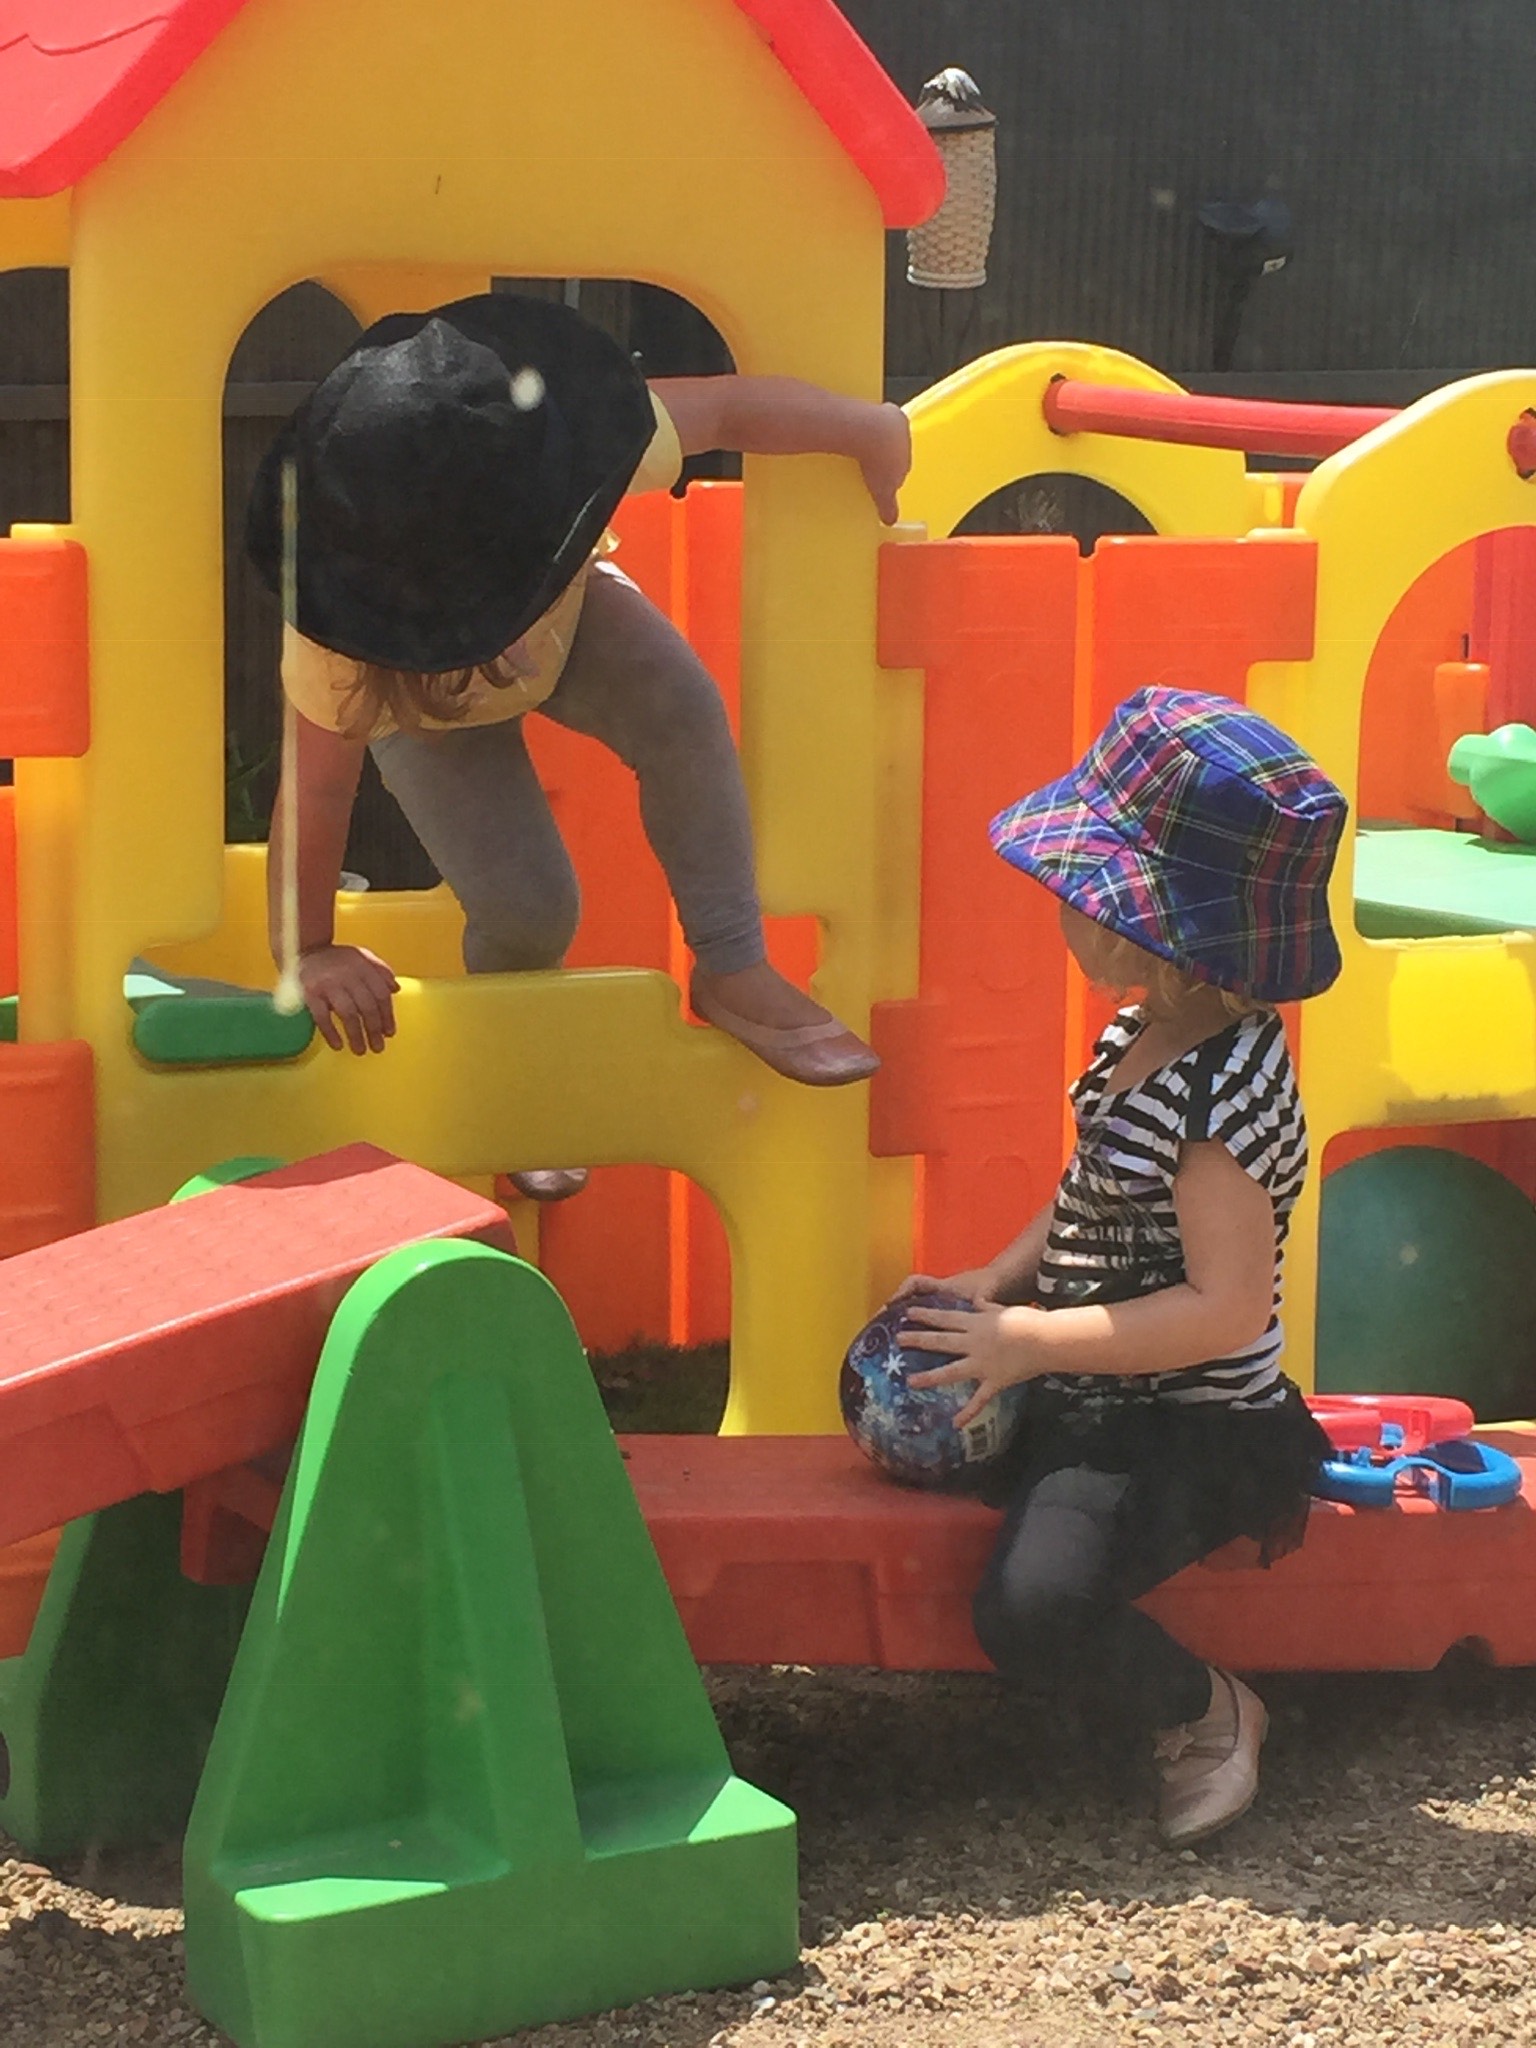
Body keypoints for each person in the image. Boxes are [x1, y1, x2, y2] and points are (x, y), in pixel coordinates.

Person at [248, 292, 909, 1199]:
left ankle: (733, 966)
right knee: (530, 909)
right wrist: (309, 949)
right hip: (421, 714)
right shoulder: (343, 651)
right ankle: (519, 1074)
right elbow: (317, 793)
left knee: (679, 703)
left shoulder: (558, 448)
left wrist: (868, 429)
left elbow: (728, 409)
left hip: (572, 624)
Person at [896, 686, 1344, 1846]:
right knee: (919, 1432)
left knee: (1032, 1606)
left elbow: (1225, 1308)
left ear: (1152, 927)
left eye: (1079, 889)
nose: (1061, 904)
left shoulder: (1220, 1100)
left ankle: (1205, 1709)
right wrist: (996, 1282)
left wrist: (1028, 1340)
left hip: (1186, 1427)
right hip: (1095, 1383)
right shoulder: (1136, 1036)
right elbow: (1089, 1192)